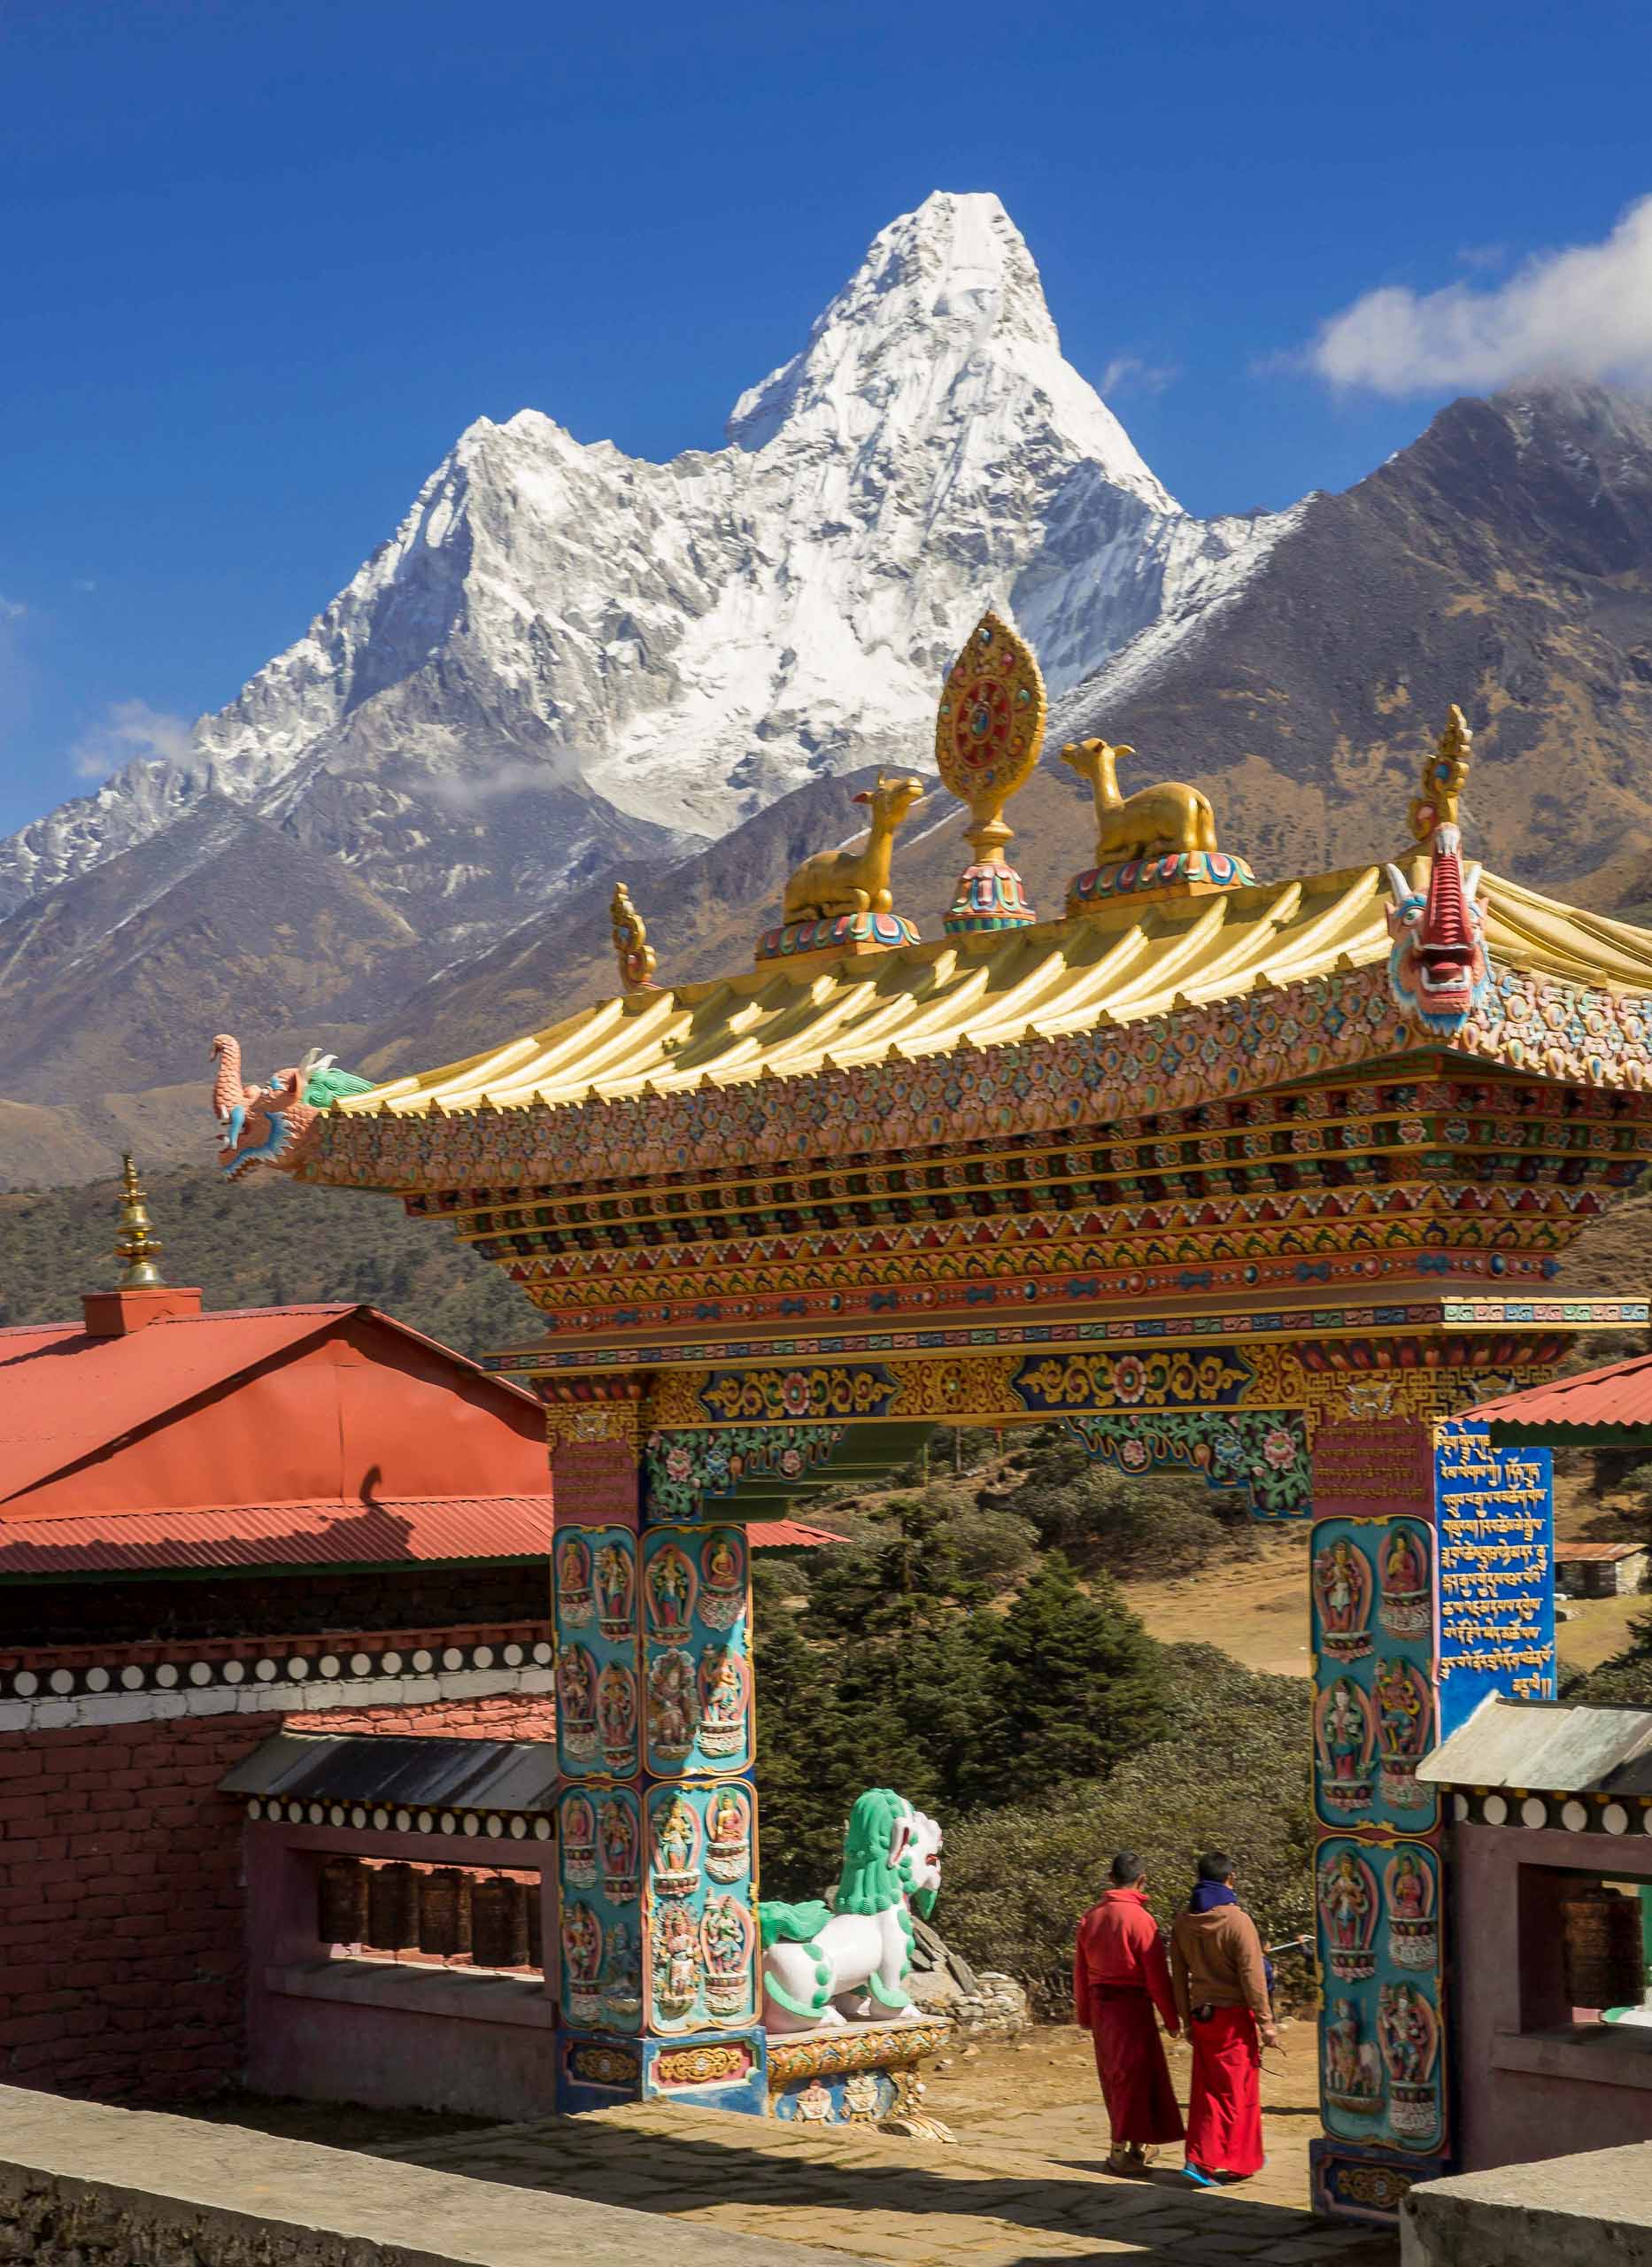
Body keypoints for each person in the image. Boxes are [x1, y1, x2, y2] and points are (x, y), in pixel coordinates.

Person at [1170, 1851, 1278, 2188]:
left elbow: (1178, 1974)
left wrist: (1185, 2019)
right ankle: (1203, 2161)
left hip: (1203, 2018)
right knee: (1233, 2093)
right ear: (1230, 1879)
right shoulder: (1237, 1920)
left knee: (1210, 2090)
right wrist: (1267, 2022)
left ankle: (1239, 2161)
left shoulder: (1183, 1920)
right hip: (1234, 2019)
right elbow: (1253, 1974)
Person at [1073, 1852, 1185, 2176]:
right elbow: (1156, 1977)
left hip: (1102, 2009)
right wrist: (1172, 2018)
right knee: (1134, 2080)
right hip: (1133, 2009)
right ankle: (1121, 2152)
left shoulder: (1090, 1918)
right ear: (1142, 1880)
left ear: (1110, 1879)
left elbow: (1080, 1973)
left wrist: (1084, 2015)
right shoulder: (1142, 1920)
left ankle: (1137, 2147)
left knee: (1117, 2079)